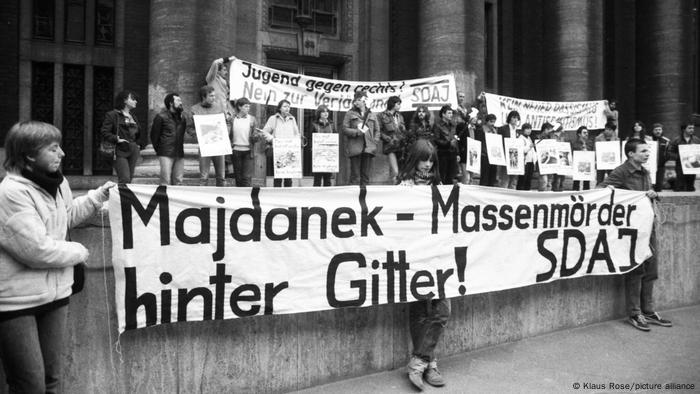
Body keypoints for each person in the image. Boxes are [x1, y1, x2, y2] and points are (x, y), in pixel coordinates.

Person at [0, 121, 114, 393]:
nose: (62, 154)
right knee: (29, 384)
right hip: (16, 302)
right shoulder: (11, 193)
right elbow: (35, 249)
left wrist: (97, 197)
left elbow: (65, 218)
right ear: (29, 155)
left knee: (53, 377)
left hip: (56, 295)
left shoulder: (58, 182)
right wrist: (79, 252)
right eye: (53, 149)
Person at [597, 138, 671, 331]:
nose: (647, 154)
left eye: (648, 151)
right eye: (643, 151)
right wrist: (610, 191)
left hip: (648, 227)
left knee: (651, 270)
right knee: (636, 271)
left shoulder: (646, 172)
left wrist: (654, 194)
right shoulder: (621, 172)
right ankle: (634, 313)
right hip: (631, 231)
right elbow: (600, 190)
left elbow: (649, 193)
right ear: (631, 154)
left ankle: (648, 310)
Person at [396, 139, 449, 389]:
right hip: (413, 256)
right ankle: (430, 363)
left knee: (442, 310)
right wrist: (401, 193)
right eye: (423, 159)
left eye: (431, 160)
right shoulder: (402, 185)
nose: (427, 165)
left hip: (438, 255)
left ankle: (419, 362)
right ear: (414, 159)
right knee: (418, 311)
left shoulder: (439, 185)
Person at [100, 90, 145, 183]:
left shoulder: (133, 116)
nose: (135, 101)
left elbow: (137, 133)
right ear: (124, 100)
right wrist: (116, 139)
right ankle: (121, 196)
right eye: (132, 99)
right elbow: (104, 131)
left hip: (133, 149)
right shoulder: (112, 115)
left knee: (130, 178)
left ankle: (125, 197)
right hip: (120, 149)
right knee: (125, 178)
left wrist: (138, 145)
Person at [187, 85, 227, 187]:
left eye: (214, 96)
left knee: (221, 176)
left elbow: (225, 125)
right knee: (204, 177)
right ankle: (202, 199)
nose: (214, 98)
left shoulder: (219, 108)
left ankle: (222, 199)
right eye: (211, 96)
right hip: (205, 145)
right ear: (204, 97)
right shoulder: (194, 109)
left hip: (218, 144)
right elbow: (189, 128)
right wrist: (199, 135)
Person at [206, 56, 237, 179]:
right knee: (218, 145)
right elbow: (215, 61)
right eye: (224, 70)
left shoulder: (225, 84)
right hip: (215, 117)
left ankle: (227, 171)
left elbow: (226, 100)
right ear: (218, 71)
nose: (226, 72)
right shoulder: (212, 79)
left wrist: (231, 113)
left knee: (228, 144)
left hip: (226, 117)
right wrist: (228, 59)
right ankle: (218, 171)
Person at [342, 91, 380, 186]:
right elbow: (344, 129)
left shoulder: (371, 114)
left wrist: (374, 141)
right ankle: (353, 198)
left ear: (365, 101)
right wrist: (356, 132)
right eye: (356, 100)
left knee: (365, 176)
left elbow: (377, 130)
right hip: (355, 147)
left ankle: (364, 197)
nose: (357, 102)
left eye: (359, 99)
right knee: (355, 176)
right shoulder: (350, 113)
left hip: (368, 147)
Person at [261, 99, 301, 187]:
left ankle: (288, 197)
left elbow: (296, 134)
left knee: (288, 177)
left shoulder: (292, 119)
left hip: (289, 151)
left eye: (289, 106)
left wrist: (295, 142)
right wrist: (272, 139)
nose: (287, 108)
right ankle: (277, 196)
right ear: (279, 108)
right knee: (278, 177)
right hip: (278, 150)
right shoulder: (273, 118)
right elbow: (265, 132)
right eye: (285, 106)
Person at [150, 92, 187, 186]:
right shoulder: (161, 117)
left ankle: (176, 200)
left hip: (179, 153)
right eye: (178, 100)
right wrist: (160, 150)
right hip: (165, 152)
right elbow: (154, 136)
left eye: (181, 100)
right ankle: (164, 200)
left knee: (178, 180)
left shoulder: (182, 119)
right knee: (165, 180)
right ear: (171, 103)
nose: (181, 102)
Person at [231, 97, 264, 187]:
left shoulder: (252, 119)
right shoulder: (232, 119)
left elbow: (255, 137)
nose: (248, 109)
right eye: (246, 106)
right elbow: (228, 134)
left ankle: (246, 198)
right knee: (238, 177)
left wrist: (258, 136)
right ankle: (239, 198)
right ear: (239, 107)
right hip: (235, 150)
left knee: (246, 177)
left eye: (249, 107)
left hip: (248, 152)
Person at [378, 96, 406, 181]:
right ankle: (394, 188)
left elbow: (404, 130)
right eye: (398, 104)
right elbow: (378, 131)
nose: (399, 106)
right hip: (390, 147)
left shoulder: (400, 116)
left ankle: (399, 188)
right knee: (395, 171)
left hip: (401, 147)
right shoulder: (382, 115)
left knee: (402, 172)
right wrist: (387, 138)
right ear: (392, 104)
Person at [309, 104, 336, 186]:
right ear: (319, 113)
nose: (326, 113)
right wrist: (312, 148)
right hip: (318, 155)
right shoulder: (314, 124)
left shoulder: (332, 124)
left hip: (329, 154)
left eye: (327, 111)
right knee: (317, 178)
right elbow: (310, 138)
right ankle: (316, 197)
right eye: (323, 112)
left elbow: (335, 137)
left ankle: (328, 198)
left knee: (328, 178)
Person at [667, 122, 699, 191]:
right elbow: (670, 152)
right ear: (684, 129)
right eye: (689, 128)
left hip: (692, 165)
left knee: (690, 186)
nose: (692, 130)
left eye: (693, 128)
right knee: (680, 185)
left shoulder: (696, 140)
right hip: (680, 165)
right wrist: (680, 157)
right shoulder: (677, 140)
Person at [432, 105, 459, 184]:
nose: (451, 115)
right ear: (443, 114)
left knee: (451, 176)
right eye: (449, 113)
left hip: (452, 153)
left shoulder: (453, 125)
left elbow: (455, 139)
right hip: (442, 154)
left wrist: (457, 153)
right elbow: (436, 140)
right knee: (442, 175)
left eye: (452, 113)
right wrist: (448, 143)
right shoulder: (437, 125)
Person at [497, 110, 520, 189]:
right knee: (505, 177)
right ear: (510, 118)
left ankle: (512, 197)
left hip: (515, 156)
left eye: (517, 118)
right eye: (514, 117)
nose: (516, 120)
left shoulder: (517, 131)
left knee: (513, 179)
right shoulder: (503, 129)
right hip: (505, 155)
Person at [458, 107, 480, 184]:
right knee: (466, 177)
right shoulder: (462, 126)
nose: (475, 119)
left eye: (476, 117)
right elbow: (459, 141)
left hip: (473, 155)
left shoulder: (477, 129)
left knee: (471, 178)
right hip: (464, 154)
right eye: (474, 117)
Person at [478, 114, 499, 186]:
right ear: (487, 121)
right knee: (485, 175)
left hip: (493, 156)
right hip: (484, 155)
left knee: (492, 175)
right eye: (491, 122)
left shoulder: (494, 130)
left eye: (494, 122)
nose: (492, 124)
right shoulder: (481, 130)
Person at [649, 123, 671, 191]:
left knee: (659, 186)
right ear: (652, 131)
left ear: (662, 130)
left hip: (660, 165)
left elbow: (669, 152)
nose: (658, 131)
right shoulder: (648, 140)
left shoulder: (666, 141)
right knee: (650, 184)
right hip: (650, 165)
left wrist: (664, 160)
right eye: (656, 130)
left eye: (659, 129)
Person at [571, 126, 593, 190]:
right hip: (578, 166)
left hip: (587, 165)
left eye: (587, 132)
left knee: (587, 183)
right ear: (579, 134)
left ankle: (586, 196)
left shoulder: (590, 143)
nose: (587, 134)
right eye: (584, 132)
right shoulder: (574, 144)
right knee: (576, 183)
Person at [535, 122, 555, 191]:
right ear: (545, 129)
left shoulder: (550, 138)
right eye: (550, 130)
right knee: (543, 181)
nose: (551, 132)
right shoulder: (538, 138)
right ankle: (541, 198)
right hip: (542, 163)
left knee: (549, 182)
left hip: (550, 163)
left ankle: (548, 199)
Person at [516, 123, 536, 190]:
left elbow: (532, 150)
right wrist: (530, 146)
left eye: (530, 129)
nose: (529, 130)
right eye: (527, 129)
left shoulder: (529, 138)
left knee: (528, 179)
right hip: (524, 162)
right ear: (523, 130)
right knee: (522, 179)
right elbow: (523, 150)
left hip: (531, 161)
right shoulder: (520, 138)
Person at [550, 123, 568, 191]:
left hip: (562, 159)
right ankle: (555, 191)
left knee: (562, 178)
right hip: (555, 158)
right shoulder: (552, 135)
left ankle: (560, 190)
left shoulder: (564, 136)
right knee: (556, 178)